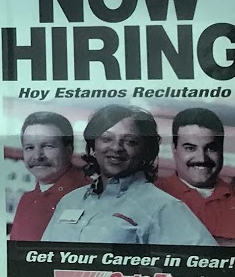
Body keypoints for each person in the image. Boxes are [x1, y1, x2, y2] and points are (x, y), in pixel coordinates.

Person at [42, 104, 215, 246]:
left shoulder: (163, 207)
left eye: (130, 141)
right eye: (107, 139)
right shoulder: (69, 201)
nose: (116, 148)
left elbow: (206, 263)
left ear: (145, 151)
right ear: (93, 146)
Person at [156, 106, 235, 244]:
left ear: (221, 149)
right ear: (174, 149)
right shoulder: (152, 194)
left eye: (211, 148)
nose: (202, 158)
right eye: (190, 148)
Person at [7, 111, 88, 239]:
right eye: (29, 147)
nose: (37, 156)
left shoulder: (91, 195)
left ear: (69, 150)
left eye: (48, 146)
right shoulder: (26, 200)